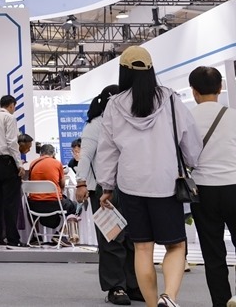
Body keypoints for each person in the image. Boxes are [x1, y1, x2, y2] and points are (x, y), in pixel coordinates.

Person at [97, 46, 203, 307]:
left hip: (130, 186)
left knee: (142, 248)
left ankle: (154, 305)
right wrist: (191, 162)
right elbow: (190, 139)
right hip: (166, 184)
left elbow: (107, 150)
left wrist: (107, 186)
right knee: (175, 246)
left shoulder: (114, 105)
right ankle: (169, 296)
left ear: (123, 72)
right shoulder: (170, 100)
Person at [75, 84, 141, 305]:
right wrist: (81, 183)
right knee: (111, 238)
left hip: (130, 188)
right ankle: (116, 287)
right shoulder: (95, 126)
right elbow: (85, 156)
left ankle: (133, 285)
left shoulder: (128, 122)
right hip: (104, 191)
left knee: (132, 238)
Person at [187, 66, 236, 307]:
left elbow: (184, 157)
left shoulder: (187, 119)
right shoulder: (233, 116)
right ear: (220, 87)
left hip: (202, 192)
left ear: (193, 91)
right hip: (234, 186)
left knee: (213, 252)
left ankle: (221, 302)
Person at [0, 95, 28, 250]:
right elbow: (12, 142)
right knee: (11, 203)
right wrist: (19, 164)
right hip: (7, 163)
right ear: (11, 105)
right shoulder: (10, 118)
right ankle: (12, 239)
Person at [26, 143, 78, 221]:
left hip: (34, 205)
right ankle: (65, 228)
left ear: (40, 153)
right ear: (53, 154)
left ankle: (36, 229)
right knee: (75, 206)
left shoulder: (32, 164)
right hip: (55, 203)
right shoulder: (57, 163)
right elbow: (62, 184)